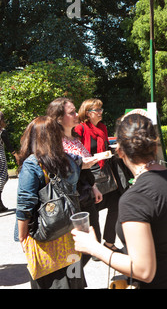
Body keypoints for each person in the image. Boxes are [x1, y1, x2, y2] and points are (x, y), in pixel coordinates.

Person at [72, 113, 167, 288]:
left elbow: (143, 271)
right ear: (155, 146)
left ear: (119, 151)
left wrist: (94, 248)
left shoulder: (135, 198)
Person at [15, 116, 86, 289]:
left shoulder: (32, 164)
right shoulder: (69, 159)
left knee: (49, 281)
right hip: (69, 233)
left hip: (44, 237)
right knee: (73, 277)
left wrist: (22, 237)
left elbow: (25, 205)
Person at [46, 97, 103, 265]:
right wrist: (79, 165)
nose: (77, 114)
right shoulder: (54, 143)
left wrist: (94, 186)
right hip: (71, 198)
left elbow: (85, 165)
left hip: (85, 194)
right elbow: (59, 171)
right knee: (78, 248)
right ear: (58, 118)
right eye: (71, 112)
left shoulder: (75, 137)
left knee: (92, 241)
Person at [74, 98, 121, 253]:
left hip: (104, 172)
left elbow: (105, 147)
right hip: (88, 175)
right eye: (97, 110)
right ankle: (95, 245)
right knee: (92, 210)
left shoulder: (102, 128)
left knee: (116, 203)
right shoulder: (80, 129)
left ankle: (109, 242)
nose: (101, 113)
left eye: (101, 109)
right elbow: (78, 154)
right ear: (87, 113)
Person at [0, 111, 17, 212]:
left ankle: (0, 204)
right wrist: (16, 155)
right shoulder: (2, 132)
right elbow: (9, 146)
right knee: (3, 177)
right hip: (0, 158)